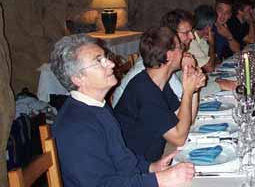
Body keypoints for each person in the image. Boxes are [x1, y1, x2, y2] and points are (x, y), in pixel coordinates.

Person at [50, 34, 195, 187]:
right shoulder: (76, 127)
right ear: (78, 78)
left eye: (106, 57)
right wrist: (159, 180)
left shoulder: (98, 106)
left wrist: (151, 167)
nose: (111, 64)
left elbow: (121, 157)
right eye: (99, 61)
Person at [114, 26, 206, 162]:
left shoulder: (157, 81)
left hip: (154, 158)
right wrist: (187, 92)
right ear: (169, 55)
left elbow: (187, 121)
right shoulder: (145, 91)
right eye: (180, 48)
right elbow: (179, 138)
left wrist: (194, 89)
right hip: (137, 169)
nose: (184, 52)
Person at [190, 5, 236, 93]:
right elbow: (210, 68)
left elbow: (217, 61)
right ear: (208, 27)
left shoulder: (202, 39)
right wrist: (212, 44)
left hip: (207, 79)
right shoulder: (192, 42)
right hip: (198, 87)